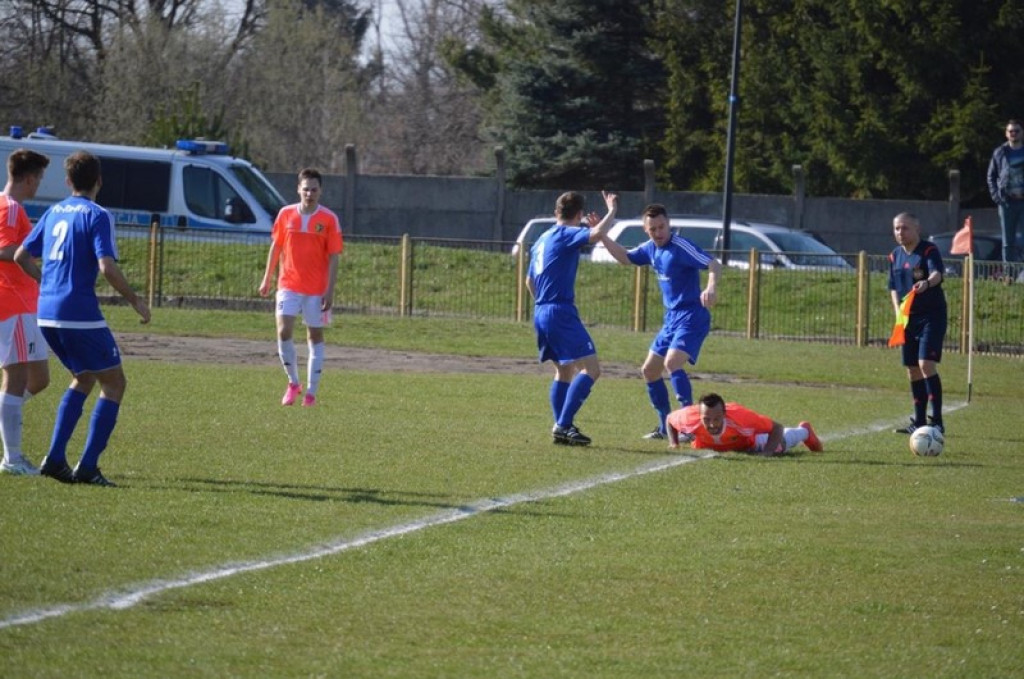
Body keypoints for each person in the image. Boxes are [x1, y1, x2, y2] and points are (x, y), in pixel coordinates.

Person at [14, 151, 151, 486]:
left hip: (47, 313)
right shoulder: (98, 214)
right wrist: (135, 301)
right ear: (99, 181)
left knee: (84, 376)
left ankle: (55, 459)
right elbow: (106, 266)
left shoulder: (54, 211)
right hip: (78, 313)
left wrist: (45, 281)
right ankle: (87, 467)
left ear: (68, 181)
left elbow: (20, 255)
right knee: (115, 383)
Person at [598, 203, 721, 440]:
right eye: (653, 228)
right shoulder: (650, 249)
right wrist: (602, 235)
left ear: (669, 224)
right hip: (671, 319)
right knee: (650, 370)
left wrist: (711, 287)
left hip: (692, 315)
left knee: (673, 362)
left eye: (661, 226)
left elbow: (713, 264)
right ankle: (667, 426)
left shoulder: (681, 246)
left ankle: (689, 426)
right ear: (646, 231)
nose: (658, 232)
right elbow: (625, 258)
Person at [527, 190, 618, 446]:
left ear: (556, 212)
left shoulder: (540, 240)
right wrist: (611, 211)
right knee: (592, 369)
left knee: (564, 370)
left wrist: (544, 304)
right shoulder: (567, 233)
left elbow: (529, 281)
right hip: (559, 311)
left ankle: (563, 428)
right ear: (579, 215)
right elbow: (597, 234)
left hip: (541, 310)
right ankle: (563, 424)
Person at [259, 168, 343, 407]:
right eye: (305, 188)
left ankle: (311, 393)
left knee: (314, 335)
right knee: (283, 330)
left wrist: (330, 290)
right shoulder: (286, 214)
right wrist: (267, 279)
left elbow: (334, 256)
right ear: (298, 189)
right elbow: (276, 248)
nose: (309, 193)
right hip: (288, 284)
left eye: (314, 189)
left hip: (316, 289)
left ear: (320, 191)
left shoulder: (328, 219)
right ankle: (293, 382)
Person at [0, 149, 51, 475]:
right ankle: (12, 459)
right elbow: (5, 249)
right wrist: (39, 271)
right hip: (12, 302)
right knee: (16, 378)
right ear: (29, 178)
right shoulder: (12, 208)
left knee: (40, 378)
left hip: (25, 305)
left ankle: (6, 414)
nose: (38, 186)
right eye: (39, 179)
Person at [887, 212, 947, 435]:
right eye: (896, 229)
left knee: (925, 364)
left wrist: (927, 284)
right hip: (907, 319)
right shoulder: (895, 256)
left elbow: (937, 274)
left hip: (931, 316)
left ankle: (938, 421)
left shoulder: (928, 250)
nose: (900, 233)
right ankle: (919, 422)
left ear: (916, 228)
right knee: (912, 370)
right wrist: (897, 313)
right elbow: (893, 286)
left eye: (905, 228)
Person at [665, 392, 822, 455]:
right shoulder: (689, 417)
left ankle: (804, 431)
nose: (712, 424)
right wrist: (673, 443)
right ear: (700, 415)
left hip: (749, 444)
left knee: (778, 446)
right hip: (708, 445)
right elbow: (670, 419)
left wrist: (766, 454)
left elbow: (777, 428)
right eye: (706, 419)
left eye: (716, 419)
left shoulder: (742, 419)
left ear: (725, 415)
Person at [986, 118, 1024, 268]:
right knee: (1008, 242)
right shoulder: (1000, 152)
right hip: (1007, 202)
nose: (1013, 133)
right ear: (1006, 134)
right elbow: (991, 176)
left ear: (1022, 133)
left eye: (1017, 131)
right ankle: (1010, 274)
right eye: (1010, 131)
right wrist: (997, 197)